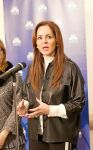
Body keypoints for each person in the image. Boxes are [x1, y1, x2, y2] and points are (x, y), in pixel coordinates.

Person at [17, 20, 85, 150]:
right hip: (35, 135)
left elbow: (78, 103)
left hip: (61, 135)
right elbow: (27, 96)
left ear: (57, 40)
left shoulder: (70, 68)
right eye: (40, 38)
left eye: (49, 37)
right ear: (35, 44)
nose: (44, 41)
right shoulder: (32, 68)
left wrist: (50, 110)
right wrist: (24, 106)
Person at [0, 39, 25, 149]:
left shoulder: (14, 76)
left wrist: (3, 134)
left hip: (12, 142)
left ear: (3, 53)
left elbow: (18, 108)